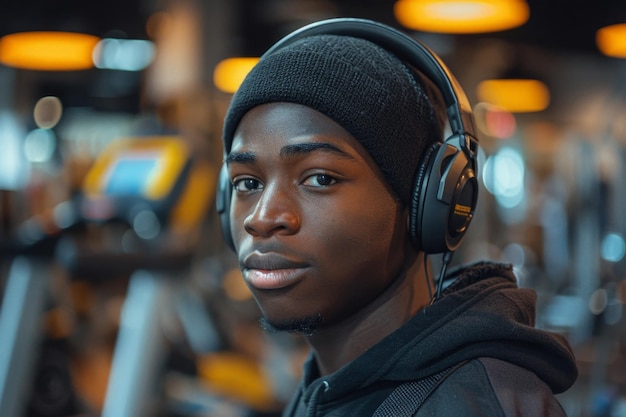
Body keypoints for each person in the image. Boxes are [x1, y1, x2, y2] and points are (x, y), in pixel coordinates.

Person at [216, 17, 578, 417]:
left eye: (319, 178)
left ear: (428, 203)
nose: (263, 219)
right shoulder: (329, 388)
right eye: (247, 183)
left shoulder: (475, 405)